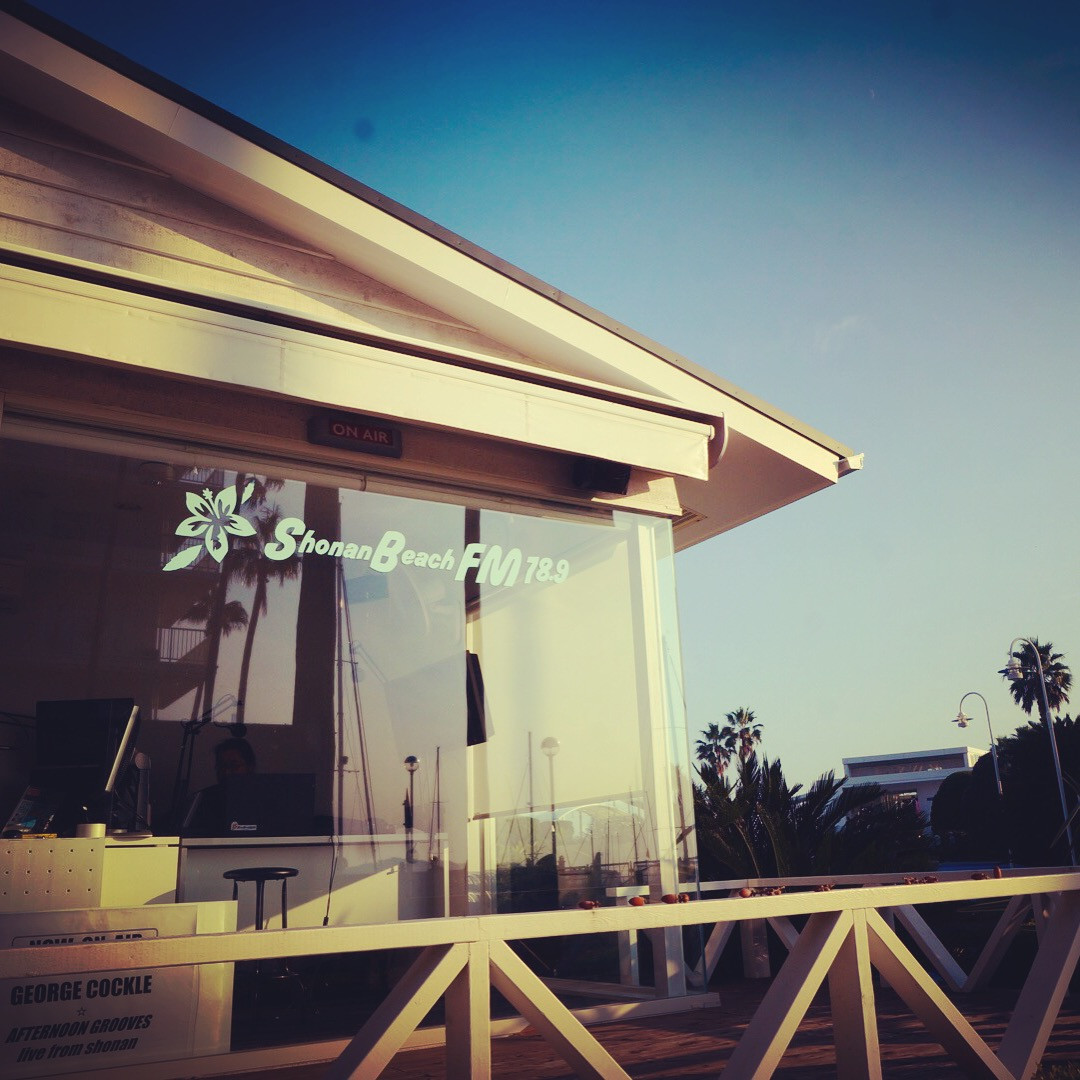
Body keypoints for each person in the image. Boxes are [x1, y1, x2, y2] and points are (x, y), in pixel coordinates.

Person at [181, 737, 256, 836]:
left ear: (250, 767)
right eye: (221, 766)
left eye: (234, 766)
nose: (226, 772)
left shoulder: (263, 799)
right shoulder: (204, 799)